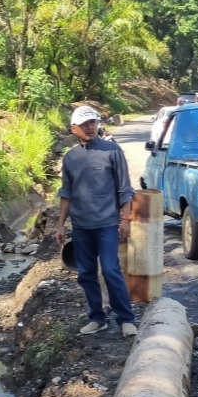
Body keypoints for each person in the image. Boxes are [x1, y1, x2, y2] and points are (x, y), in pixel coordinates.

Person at [56, 105, 137, 337]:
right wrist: (61, 224)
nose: (90, 127)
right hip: (81, 226)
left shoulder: (112, 151)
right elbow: (66, 192)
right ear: (74, 128)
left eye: (93, 122)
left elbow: (125, 188)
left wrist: (126, 218)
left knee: (111, 270)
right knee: (86, 273)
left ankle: (126, 318)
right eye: (84, 124)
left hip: (107, 224)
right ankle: (97, 317)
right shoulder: (70, 158)